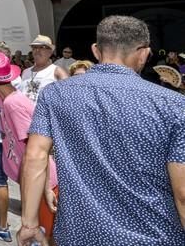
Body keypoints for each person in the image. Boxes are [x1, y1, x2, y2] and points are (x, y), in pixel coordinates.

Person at [19, 15, 185, 246]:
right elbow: (183, 191)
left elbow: (35, 157)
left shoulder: (55, 95)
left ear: (96, 51)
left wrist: (29, 224)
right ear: (144, 53)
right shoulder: (173, 104)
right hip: (153, 235)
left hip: (78, 235)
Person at [0, 51, 58, 242]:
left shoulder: (13, 103)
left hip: (45, 182)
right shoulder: (3, 96)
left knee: (46, 237)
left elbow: (37, 149)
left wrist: (45, 188)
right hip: (33, 181)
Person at [19, 35, 68, 103]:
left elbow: (67, 94)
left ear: (50, 52)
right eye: (34, 47)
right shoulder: (25, 72)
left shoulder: (57, 71)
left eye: (42, 47)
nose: (37, 50)